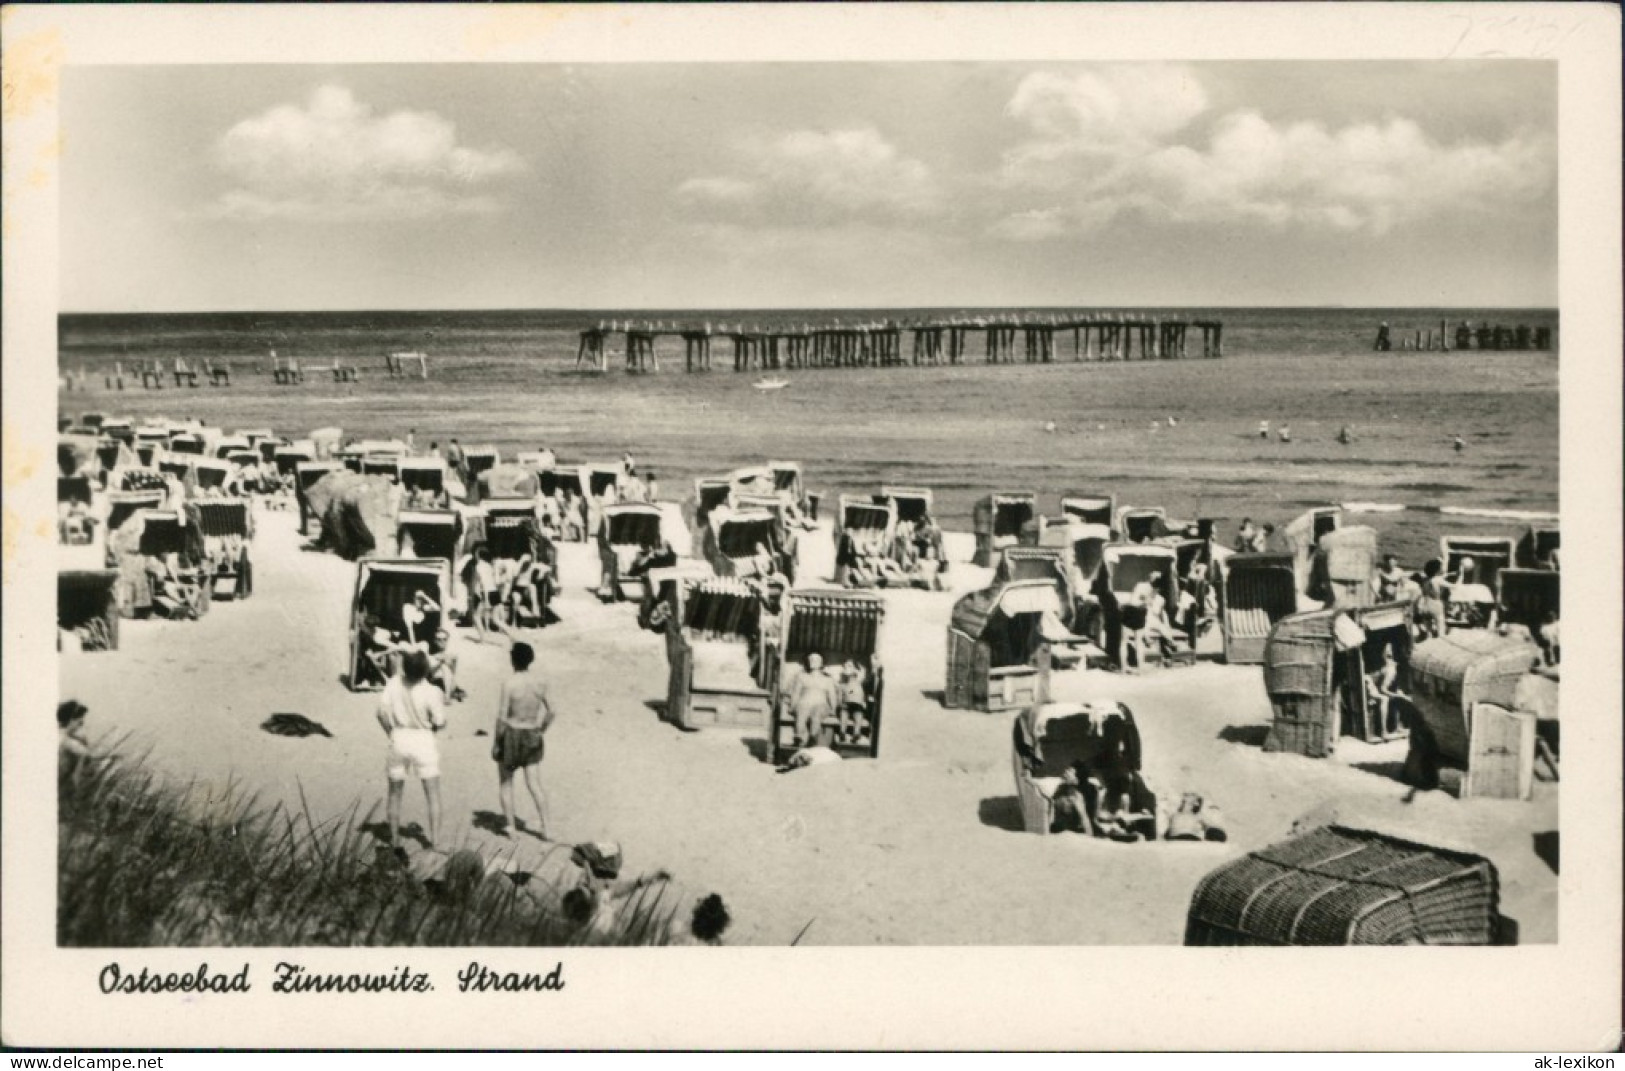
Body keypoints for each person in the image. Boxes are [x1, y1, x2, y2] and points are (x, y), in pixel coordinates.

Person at [376, 649, 447, 851]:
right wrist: (435, 728)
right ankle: (435, 841)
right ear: (425, 670)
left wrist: (390, 732)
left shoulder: (394, 683)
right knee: (432, 793)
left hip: (399, 736)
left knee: (395, 792)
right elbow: (440, 722)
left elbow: (380, 713)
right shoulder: (432, 691)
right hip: (423, 739)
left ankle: (395, 839)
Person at [492, 641, 554, 840]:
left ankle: (511, 828)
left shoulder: (509, 684)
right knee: (534, 783)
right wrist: (541, 729)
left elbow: (502, 717)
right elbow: (552, 711)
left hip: (512, 733)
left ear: (512, 660)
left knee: (506, 782)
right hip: (531, 732)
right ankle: (546, 827)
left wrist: (496, 742)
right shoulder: (540, 683)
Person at [789, 653, 841, 748]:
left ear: (821, 663)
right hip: (805, 702)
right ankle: (799, 736)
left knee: (816, 714)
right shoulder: (802, 677)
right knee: (802, 710)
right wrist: (792, 706)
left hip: (821, 704)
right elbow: (796, 693)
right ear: (807, 662)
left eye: (816, 659)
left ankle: (813, 738)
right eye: (811, 659)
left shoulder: (827, 680)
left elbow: (832, 696)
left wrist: (834, 709)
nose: (813, 661)